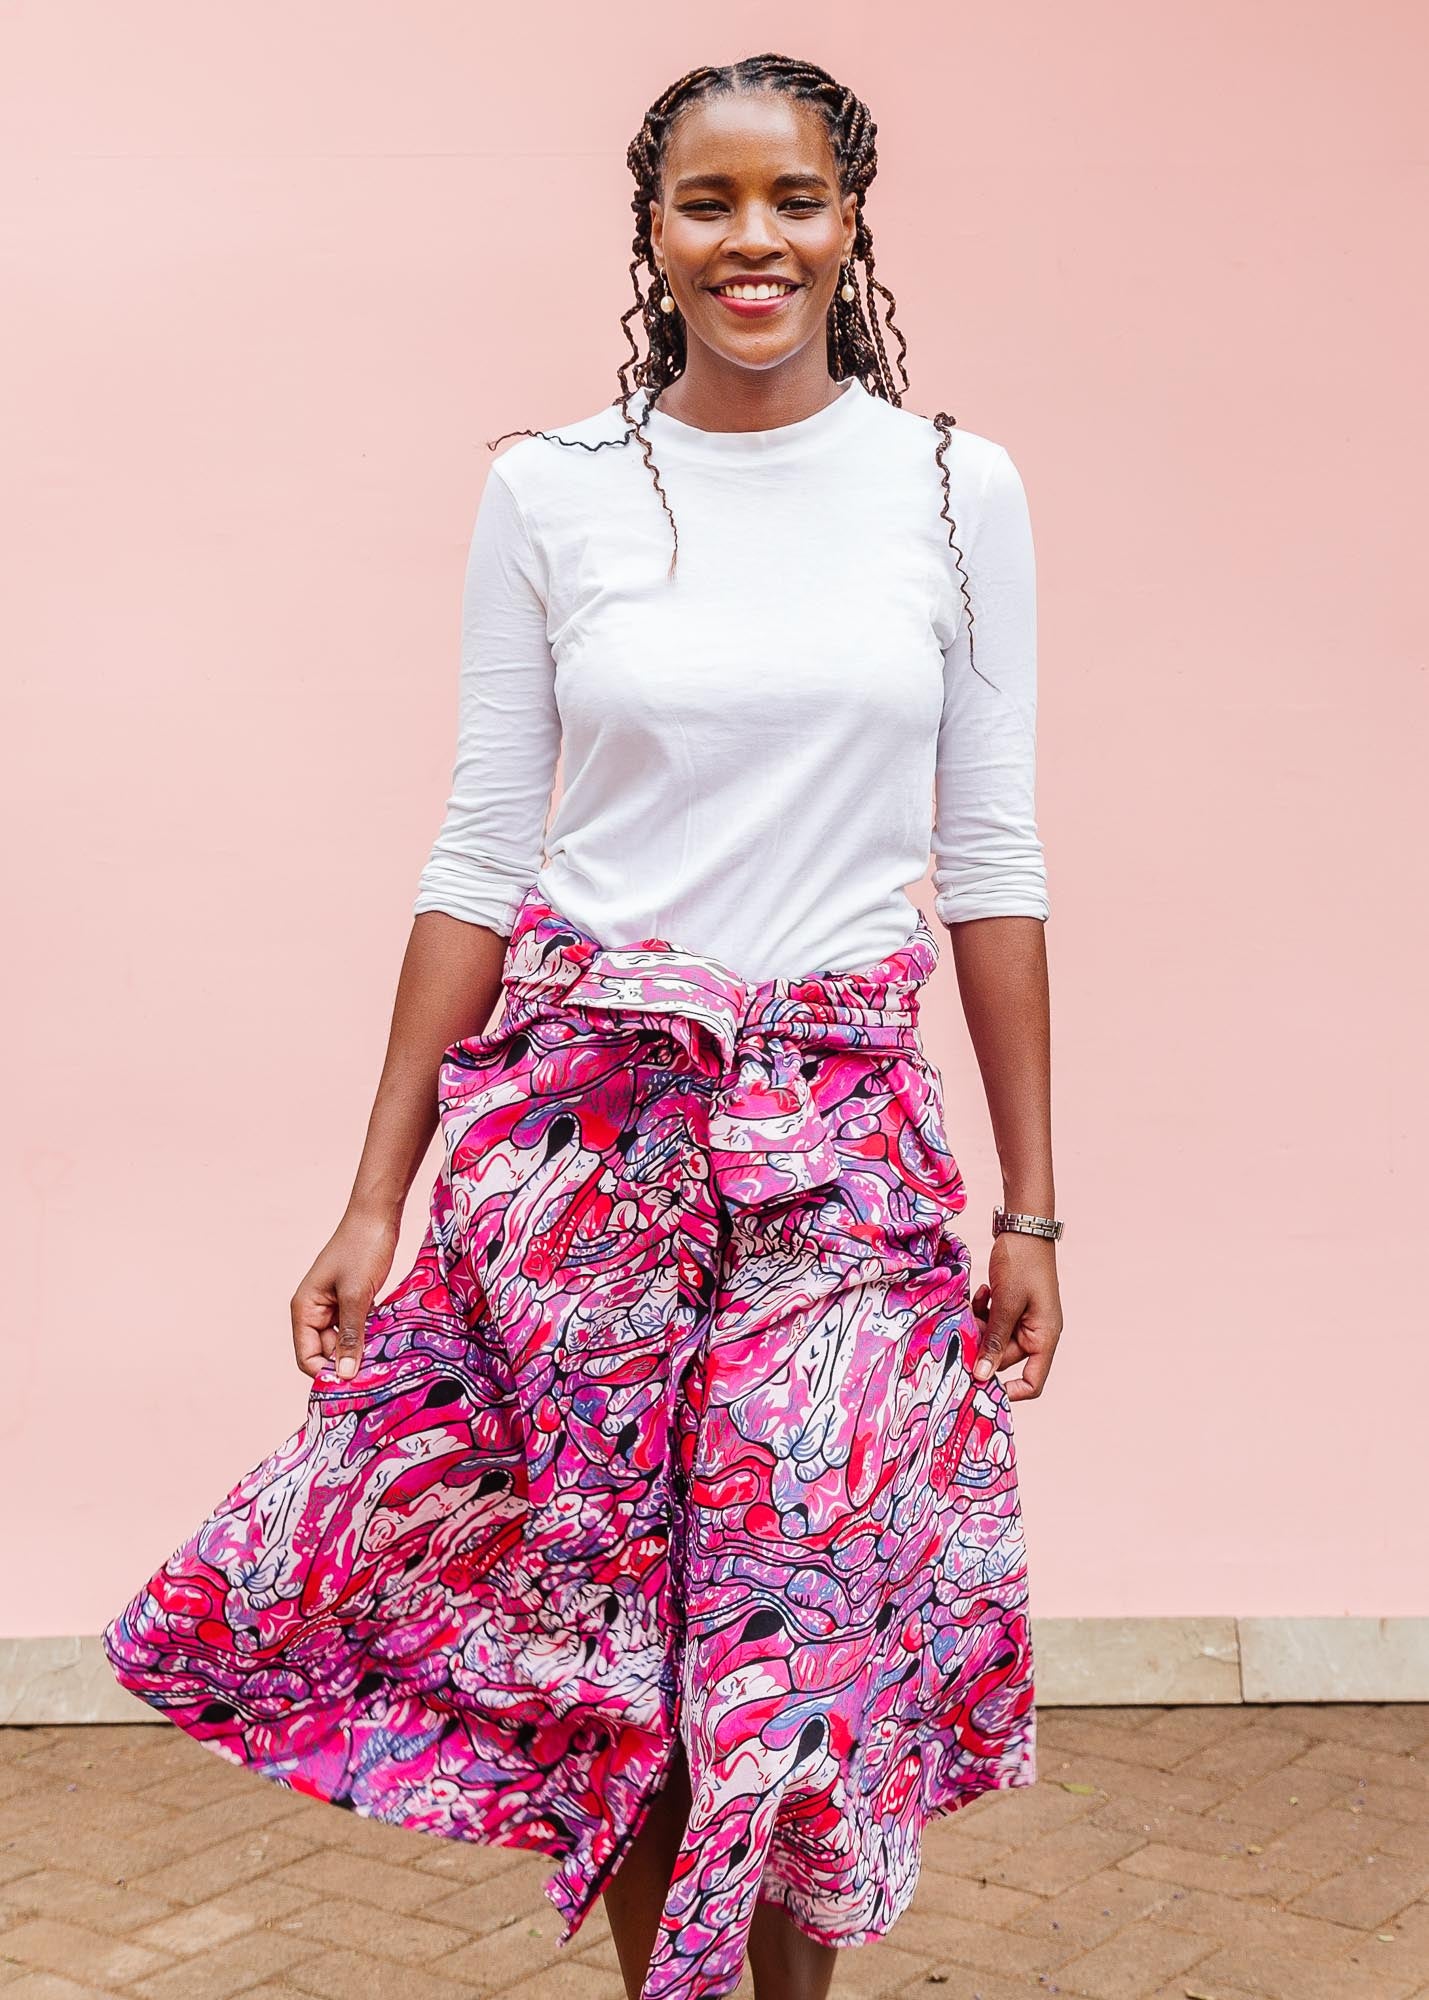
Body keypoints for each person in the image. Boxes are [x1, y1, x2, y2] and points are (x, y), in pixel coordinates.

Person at [102, 50, 1064, 2000]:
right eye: (707, 202)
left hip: (841, 1151)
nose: (750, 241)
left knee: (794, 1646)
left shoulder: (954, 489)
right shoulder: (550, 489)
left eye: (790, 198)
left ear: (850, 220)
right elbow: (479, 849)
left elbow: (989, 854)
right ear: (653, 231)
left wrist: (1030, 1207)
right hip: (581, 1145)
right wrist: (373, 1195)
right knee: (619, 1655)